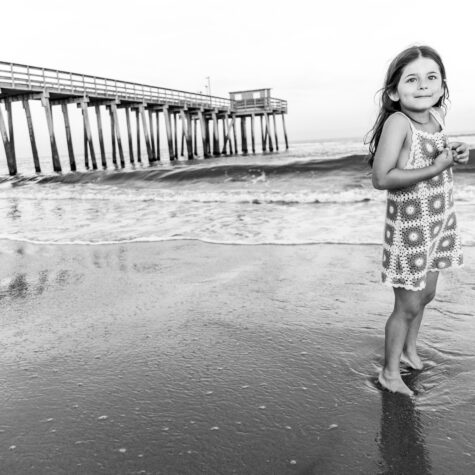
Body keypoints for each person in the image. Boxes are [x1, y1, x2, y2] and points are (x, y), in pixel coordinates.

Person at [367, 45, 469, 396]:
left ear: (442, 86)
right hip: (410, 227)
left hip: (439, 219)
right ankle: (389, 372)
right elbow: (381, 178)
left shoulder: (437, 116)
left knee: (426, 294)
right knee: (407, 303)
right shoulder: (399, 122)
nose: (423, 85)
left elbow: (437, 155)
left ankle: (410, 349)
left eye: (431, 78)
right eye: (412, 79)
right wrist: (436, 167)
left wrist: (455, 153)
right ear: (395, 91)